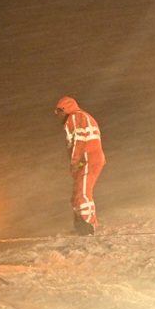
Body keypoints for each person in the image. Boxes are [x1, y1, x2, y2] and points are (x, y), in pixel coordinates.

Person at [55, 96, 105, 235]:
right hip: (89, 158)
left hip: (88, 158)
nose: (58, 116)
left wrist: (75, 162)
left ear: (64, 109)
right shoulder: (82, 116)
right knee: (78, 191)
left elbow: (79, 141)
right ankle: (81, 224)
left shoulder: (75, 117)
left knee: (82, 192)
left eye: (59, 112)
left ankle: (87, 224)